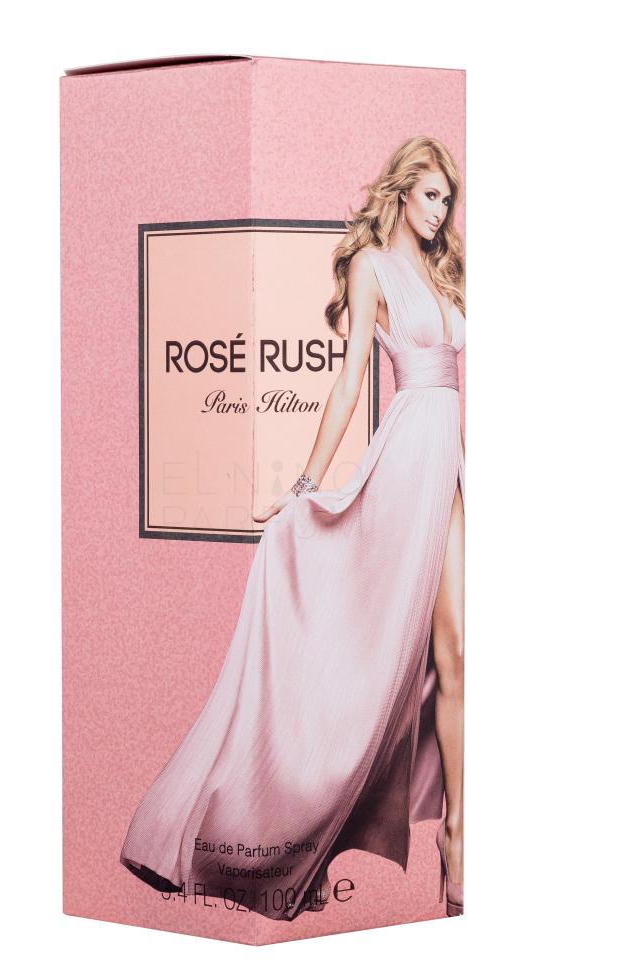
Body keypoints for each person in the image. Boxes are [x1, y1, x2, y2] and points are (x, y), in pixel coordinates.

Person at [120, 135, 466, 921]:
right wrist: (306, 485)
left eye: (449, 199)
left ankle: (458, 836)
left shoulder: (449, 271)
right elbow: (349, 382)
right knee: (400, 653)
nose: (441, 212)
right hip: (408, 461)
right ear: (402, 193)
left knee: (457, 653)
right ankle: (277, 816)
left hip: (452, 465)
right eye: (431, 196)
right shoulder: (372, 267)